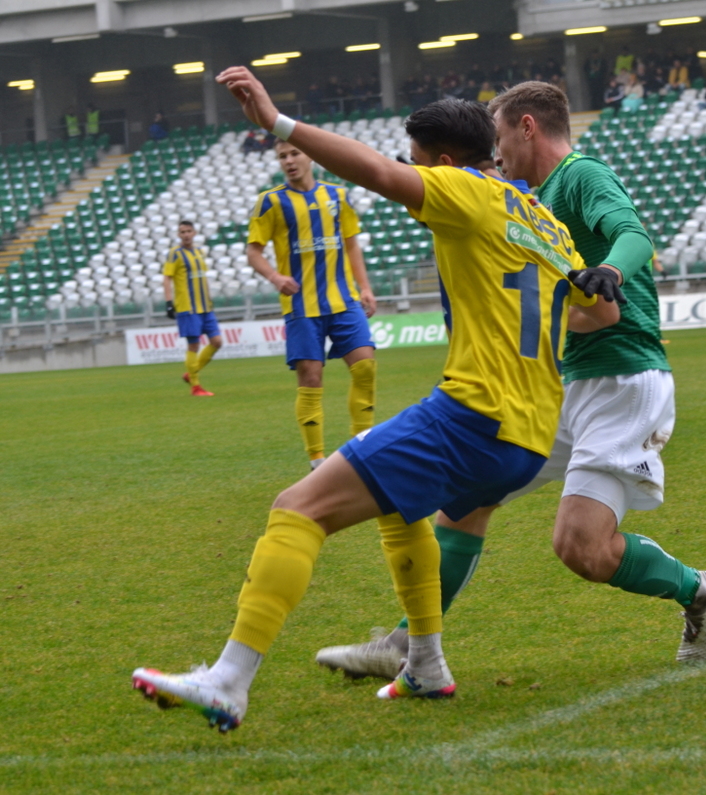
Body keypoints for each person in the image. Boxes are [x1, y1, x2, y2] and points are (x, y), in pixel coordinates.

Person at [133, 83, 621, 729]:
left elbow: (377, 171)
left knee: (297, 508)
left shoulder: (466, 189)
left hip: (472, 415)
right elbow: (602, 310)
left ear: (444, 163)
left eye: (420, 160)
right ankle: (425, 662)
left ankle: (227, 679)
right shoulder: (541, 219)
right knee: (400, 510)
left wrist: (279, 121)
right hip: (528, 435)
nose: (415, 172)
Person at [315, 81, 706, 682]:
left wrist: (611, 269)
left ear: (528, 127)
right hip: (558, 382)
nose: (496, 149)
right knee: (464, 504)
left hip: (621, 378)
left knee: (580, 548)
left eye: (500, 134)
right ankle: (408, 643)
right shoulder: (529, 201)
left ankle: (702, 591)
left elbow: (635, 234)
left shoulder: (581, 175)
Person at [245, 137, 379, 469]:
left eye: (295, 153)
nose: (289, 160)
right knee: (310, 378)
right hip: (301, 306)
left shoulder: (337, 196)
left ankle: (362, 448)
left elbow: (351, 246)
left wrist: (365, 288)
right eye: (282, 156)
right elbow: (253, 252)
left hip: (343, 299)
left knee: (364, 366)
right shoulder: (271, 202)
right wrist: (276, 278)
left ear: (310, 156)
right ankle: (317, 460)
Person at [162, 220, 222, 396]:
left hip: (205, 306)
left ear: (194, 232)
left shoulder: (199, 252)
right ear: (178, 235)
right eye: (182, 232)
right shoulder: (175, 254)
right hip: (187, 307)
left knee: (217, 342)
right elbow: (167, 278)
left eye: (189, 231)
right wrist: (168, 302)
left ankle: (190, 373)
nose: (186, 234)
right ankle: (196, 387)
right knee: (193, 345)